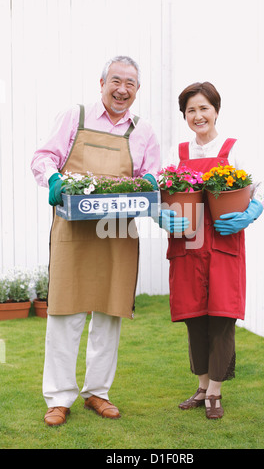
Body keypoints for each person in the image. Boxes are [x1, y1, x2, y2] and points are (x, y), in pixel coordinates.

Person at [31, 56, 165, 426]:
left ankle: (97, 393)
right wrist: (54, 180)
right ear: (102, 82)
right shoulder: (75, 117)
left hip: (118, 233)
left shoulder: (144, 131)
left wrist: (152, 185)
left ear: (137, 91)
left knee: (109, 315)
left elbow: (151, 176)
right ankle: (59, 398)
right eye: (116, 81)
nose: (122, 90)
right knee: (65, 314)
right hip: (73, 230)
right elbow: (44, 157)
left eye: (131, 85)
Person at [165, 82, 264, 419]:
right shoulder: (177, 153)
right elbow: (160, 190)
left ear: (216, 111)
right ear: (184, 115)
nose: (198, 116)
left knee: (222, 317)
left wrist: (250, 213)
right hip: (188, 244)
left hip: (225, 242)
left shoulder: (233, 149)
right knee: (194, 317)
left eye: (204, 108)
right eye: (191, 110)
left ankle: (215, 391)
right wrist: (163, 216)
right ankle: (201, 386)